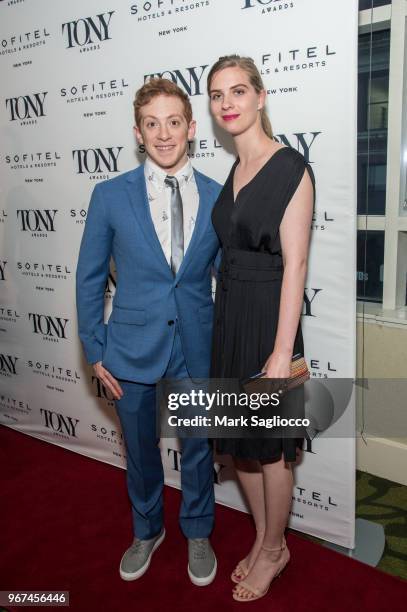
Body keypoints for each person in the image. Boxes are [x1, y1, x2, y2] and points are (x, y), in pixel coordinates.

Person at [76, 78, 221, 586]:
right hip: (129, 348)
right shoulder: (110, 195)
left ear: (191, 128)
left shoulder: (218, 196)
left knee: (199, 445)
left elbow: (229, 277)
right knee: (139, 450)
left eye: (173, 122)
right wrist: (95, 349)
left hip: (197, 347)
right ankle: (147, 529)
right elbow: (90, 276)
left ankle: (198, 531)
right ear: (138, 132)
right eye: (152, 124)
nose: (164, 134)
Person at [207, 55, 315, 602]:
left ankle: (275, 550)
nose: (227, 103)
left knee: (270, 448)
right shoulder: (234, 171)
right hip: (230, 320)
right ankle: (263, 537)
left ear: (260, 96)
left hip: (270, 323)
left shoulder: (290, 166)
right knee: (239, 446)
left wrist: (280, 353)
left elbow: (295, 265)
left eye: (238, 91)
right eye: (217, 94)